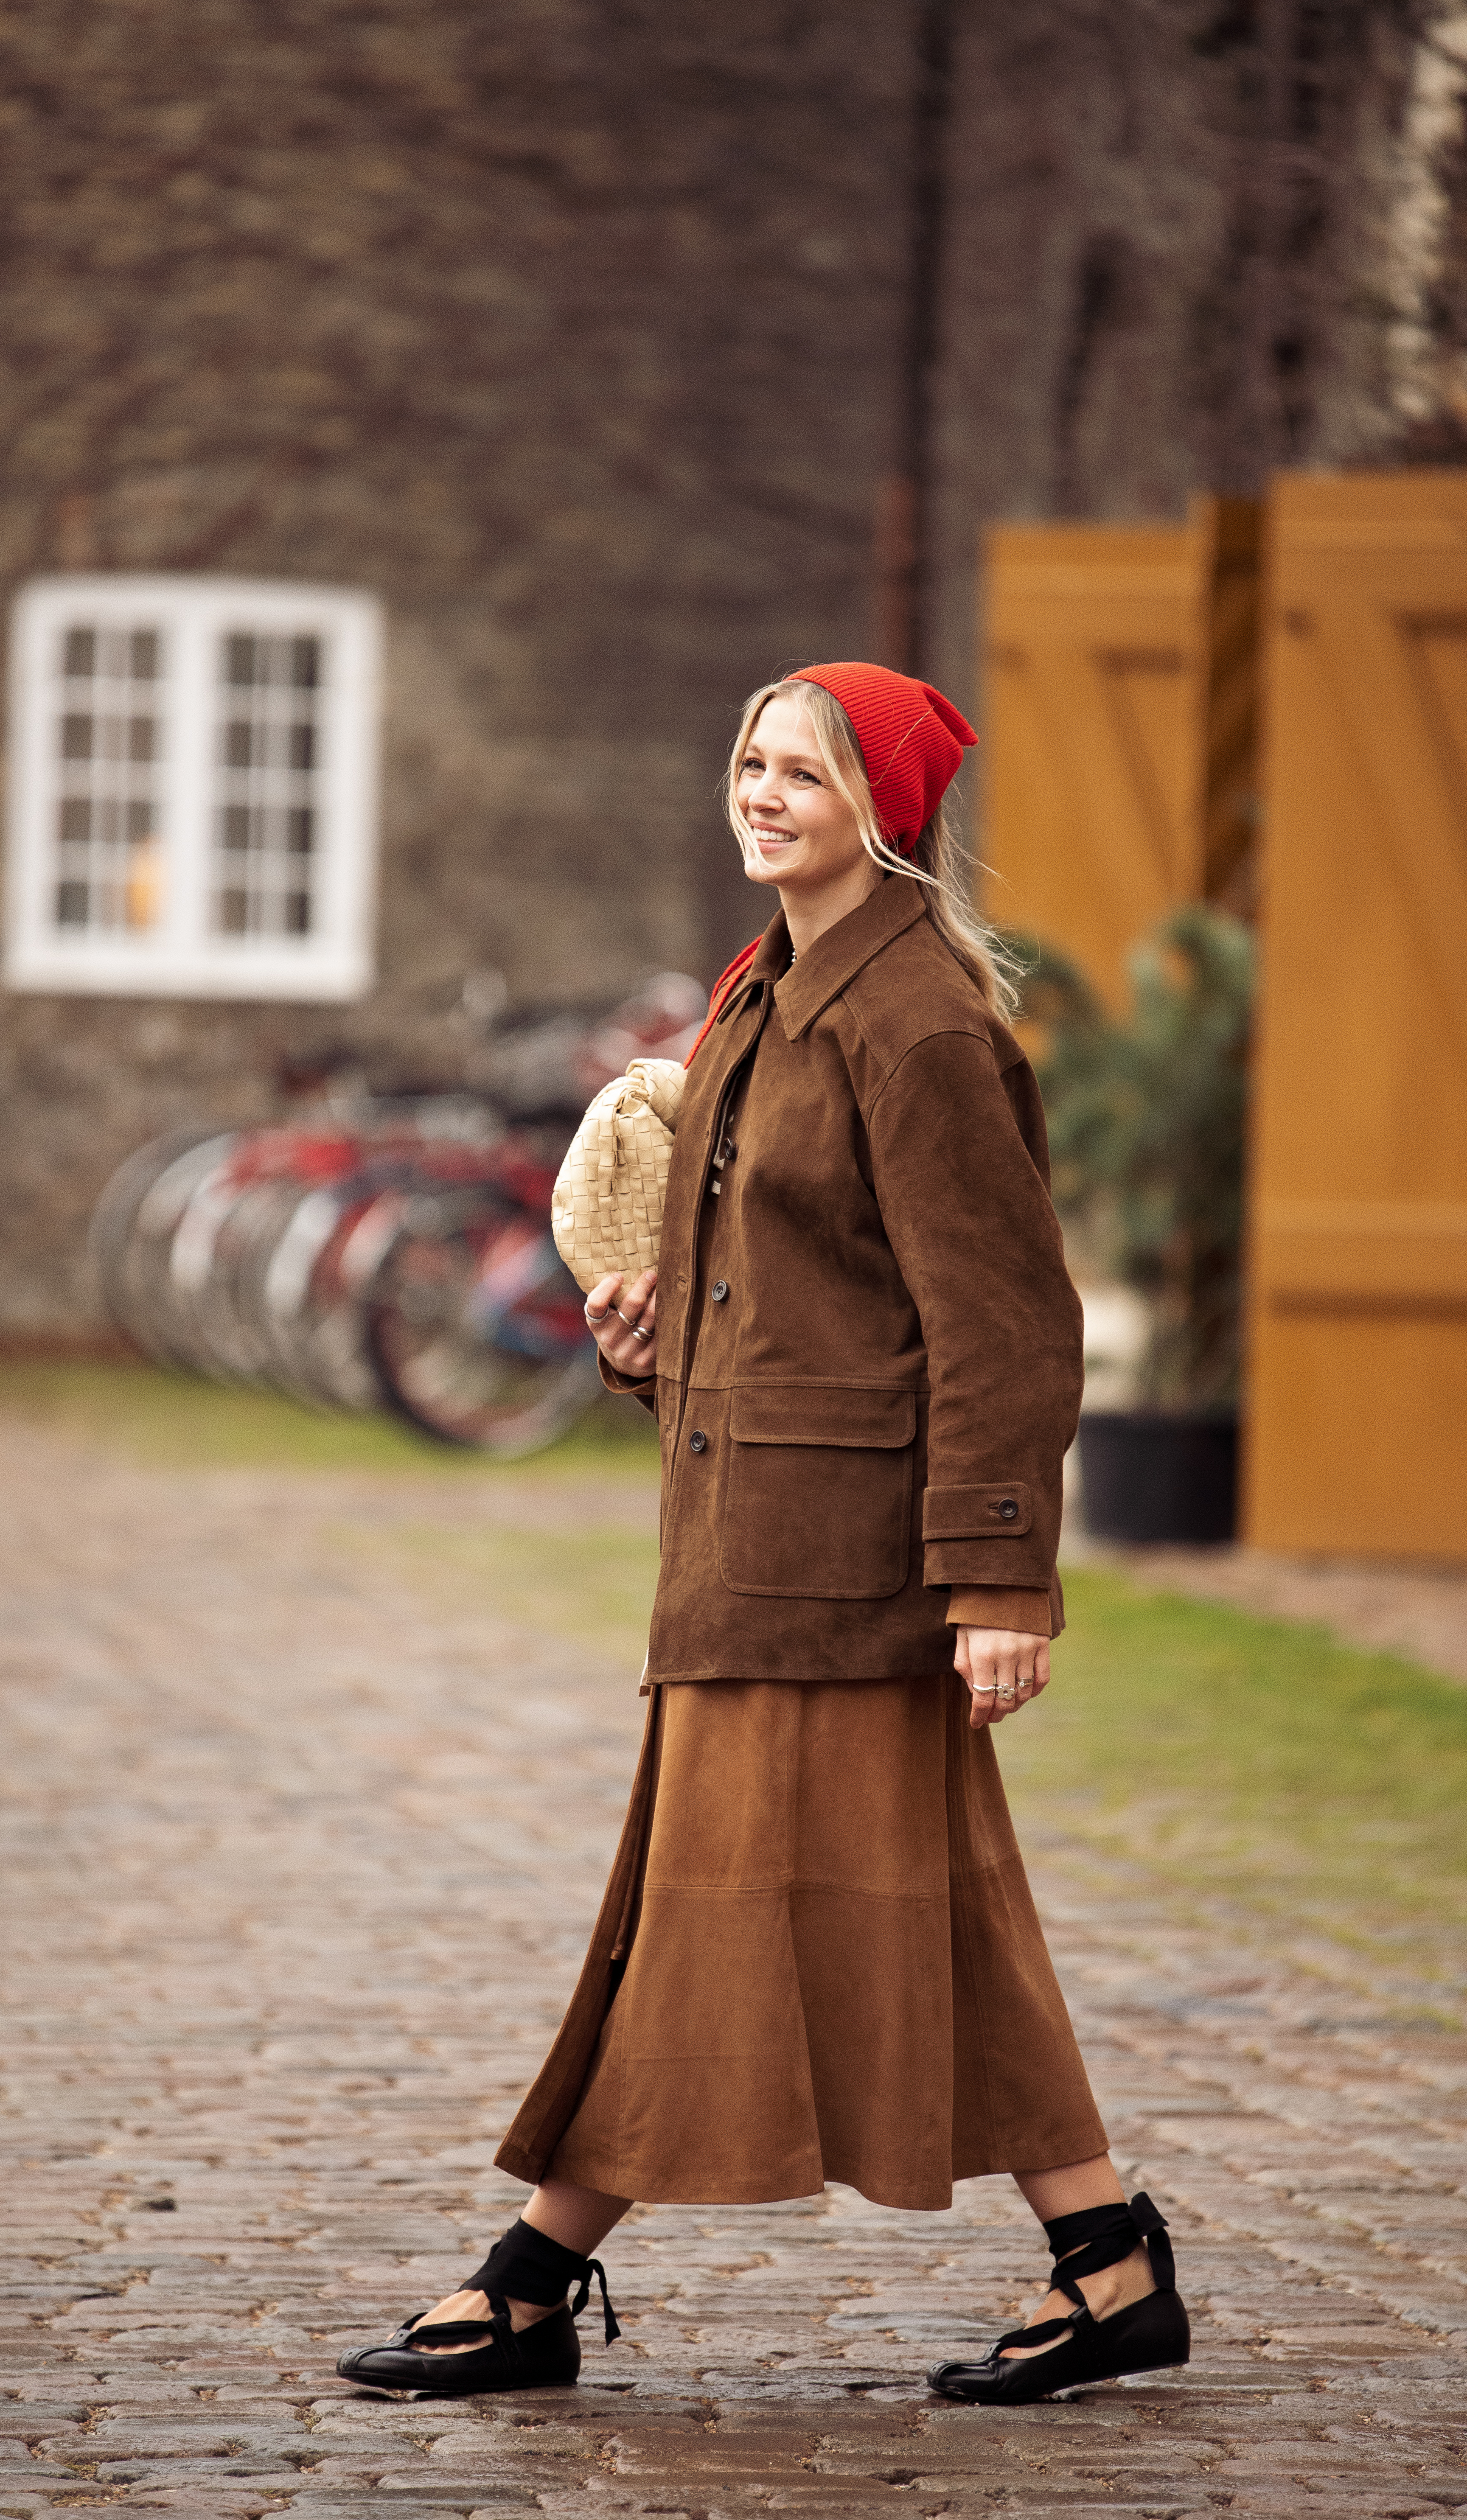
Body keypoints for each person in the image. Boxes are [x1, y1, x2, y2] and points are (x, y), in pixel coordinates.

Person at [338, 662, 1189, 2406]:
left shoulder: (918, 1019)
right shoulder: (758, 997)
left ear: (880, 802)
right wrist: (655, 1340)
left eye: (802, 769)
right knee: (942, 1915)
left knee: (702, 1910)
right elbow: (805, 1295)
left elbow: (1003, 1318)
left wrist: (1001, 1576)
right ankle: (1108, 2268)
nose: (761, 790)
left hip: (842, 1567)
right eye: (746, 759)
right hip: (750, 1534)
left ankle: (530, 2280)